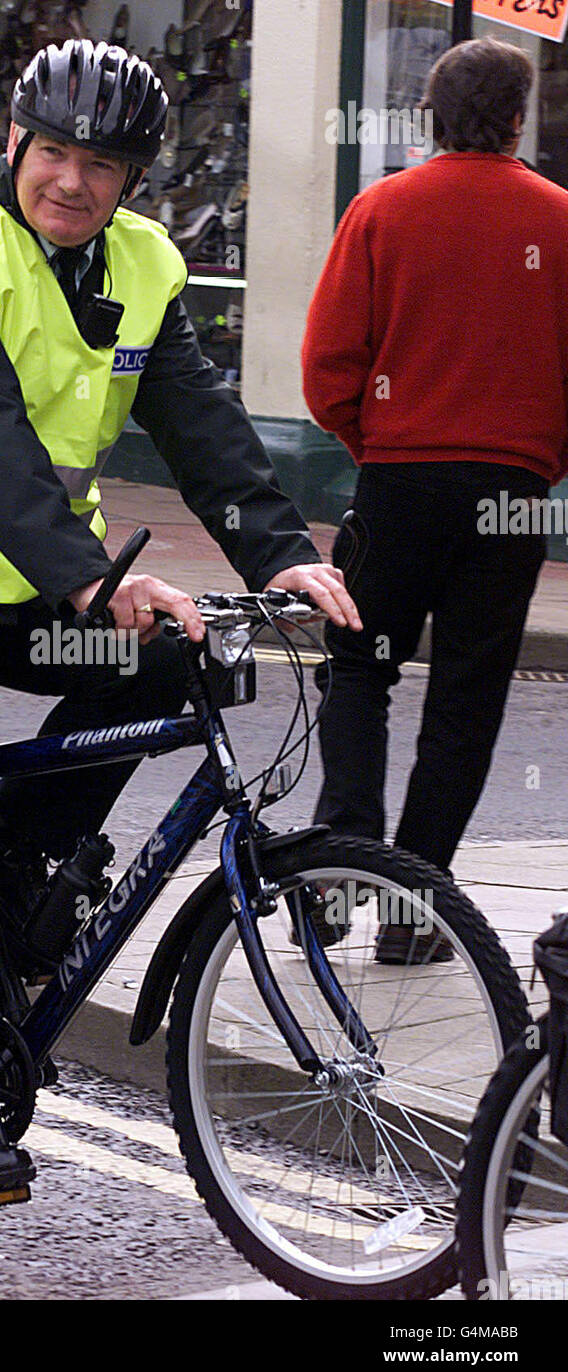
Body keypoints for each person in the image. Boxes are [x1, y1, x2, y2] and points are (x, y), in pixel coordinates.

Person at [0, 40, 360, 1198]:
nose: (73, 182)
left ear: (134, 176)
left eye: (103, 163)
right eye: (55, 152)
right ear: (14, 144)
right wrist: (91, 577)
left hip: (11, 586)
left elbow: (198, 421)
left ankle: (5, 876)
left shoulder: (141, 263)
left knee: (168, 661)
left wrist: (283, 556)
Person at [302, 37, 568, 962]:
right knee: (467, 694)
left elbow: (327, 367)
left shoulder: (383, 210)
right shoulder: (560, 219)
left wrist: (375, 445)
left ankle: (337, 874)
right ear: (516, 115)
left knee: (358, 668)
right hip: (514, 492)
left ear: (428, 111)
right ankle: (416, 913)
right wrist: (540, 464)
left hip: (400, 478)